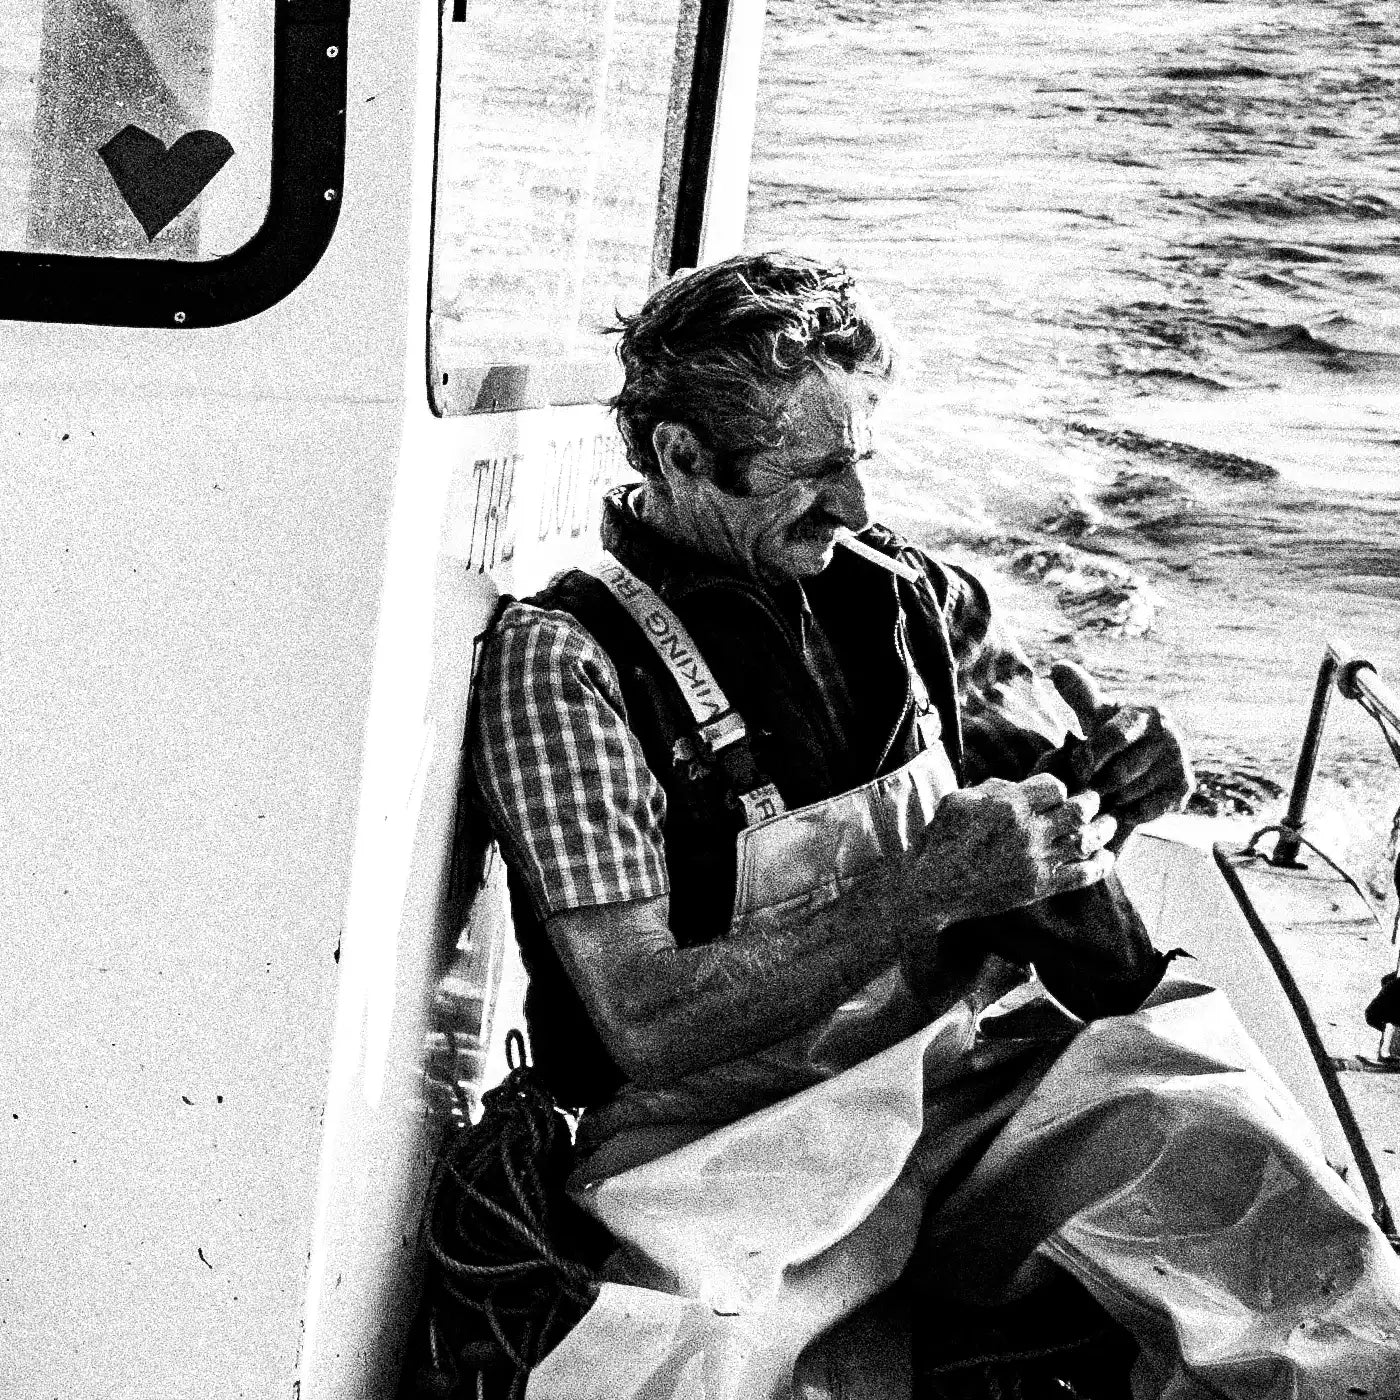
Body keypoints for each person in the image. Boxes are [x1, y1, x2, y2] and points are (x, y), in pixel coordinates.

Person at [469, 253, 1400, 1400]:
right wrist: (923, 885)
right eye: (812, 473)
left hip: (971, 1080)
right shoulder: (563, 664)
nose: (854, 507)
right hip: (721, 1146)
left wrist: (1122, 786)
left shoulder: (915, 597)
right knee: (678, 1368)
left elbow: (1051, 814)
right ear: (679, 456)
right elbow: (642, 1018)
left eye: (858, 461)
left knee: (1291, 1247)